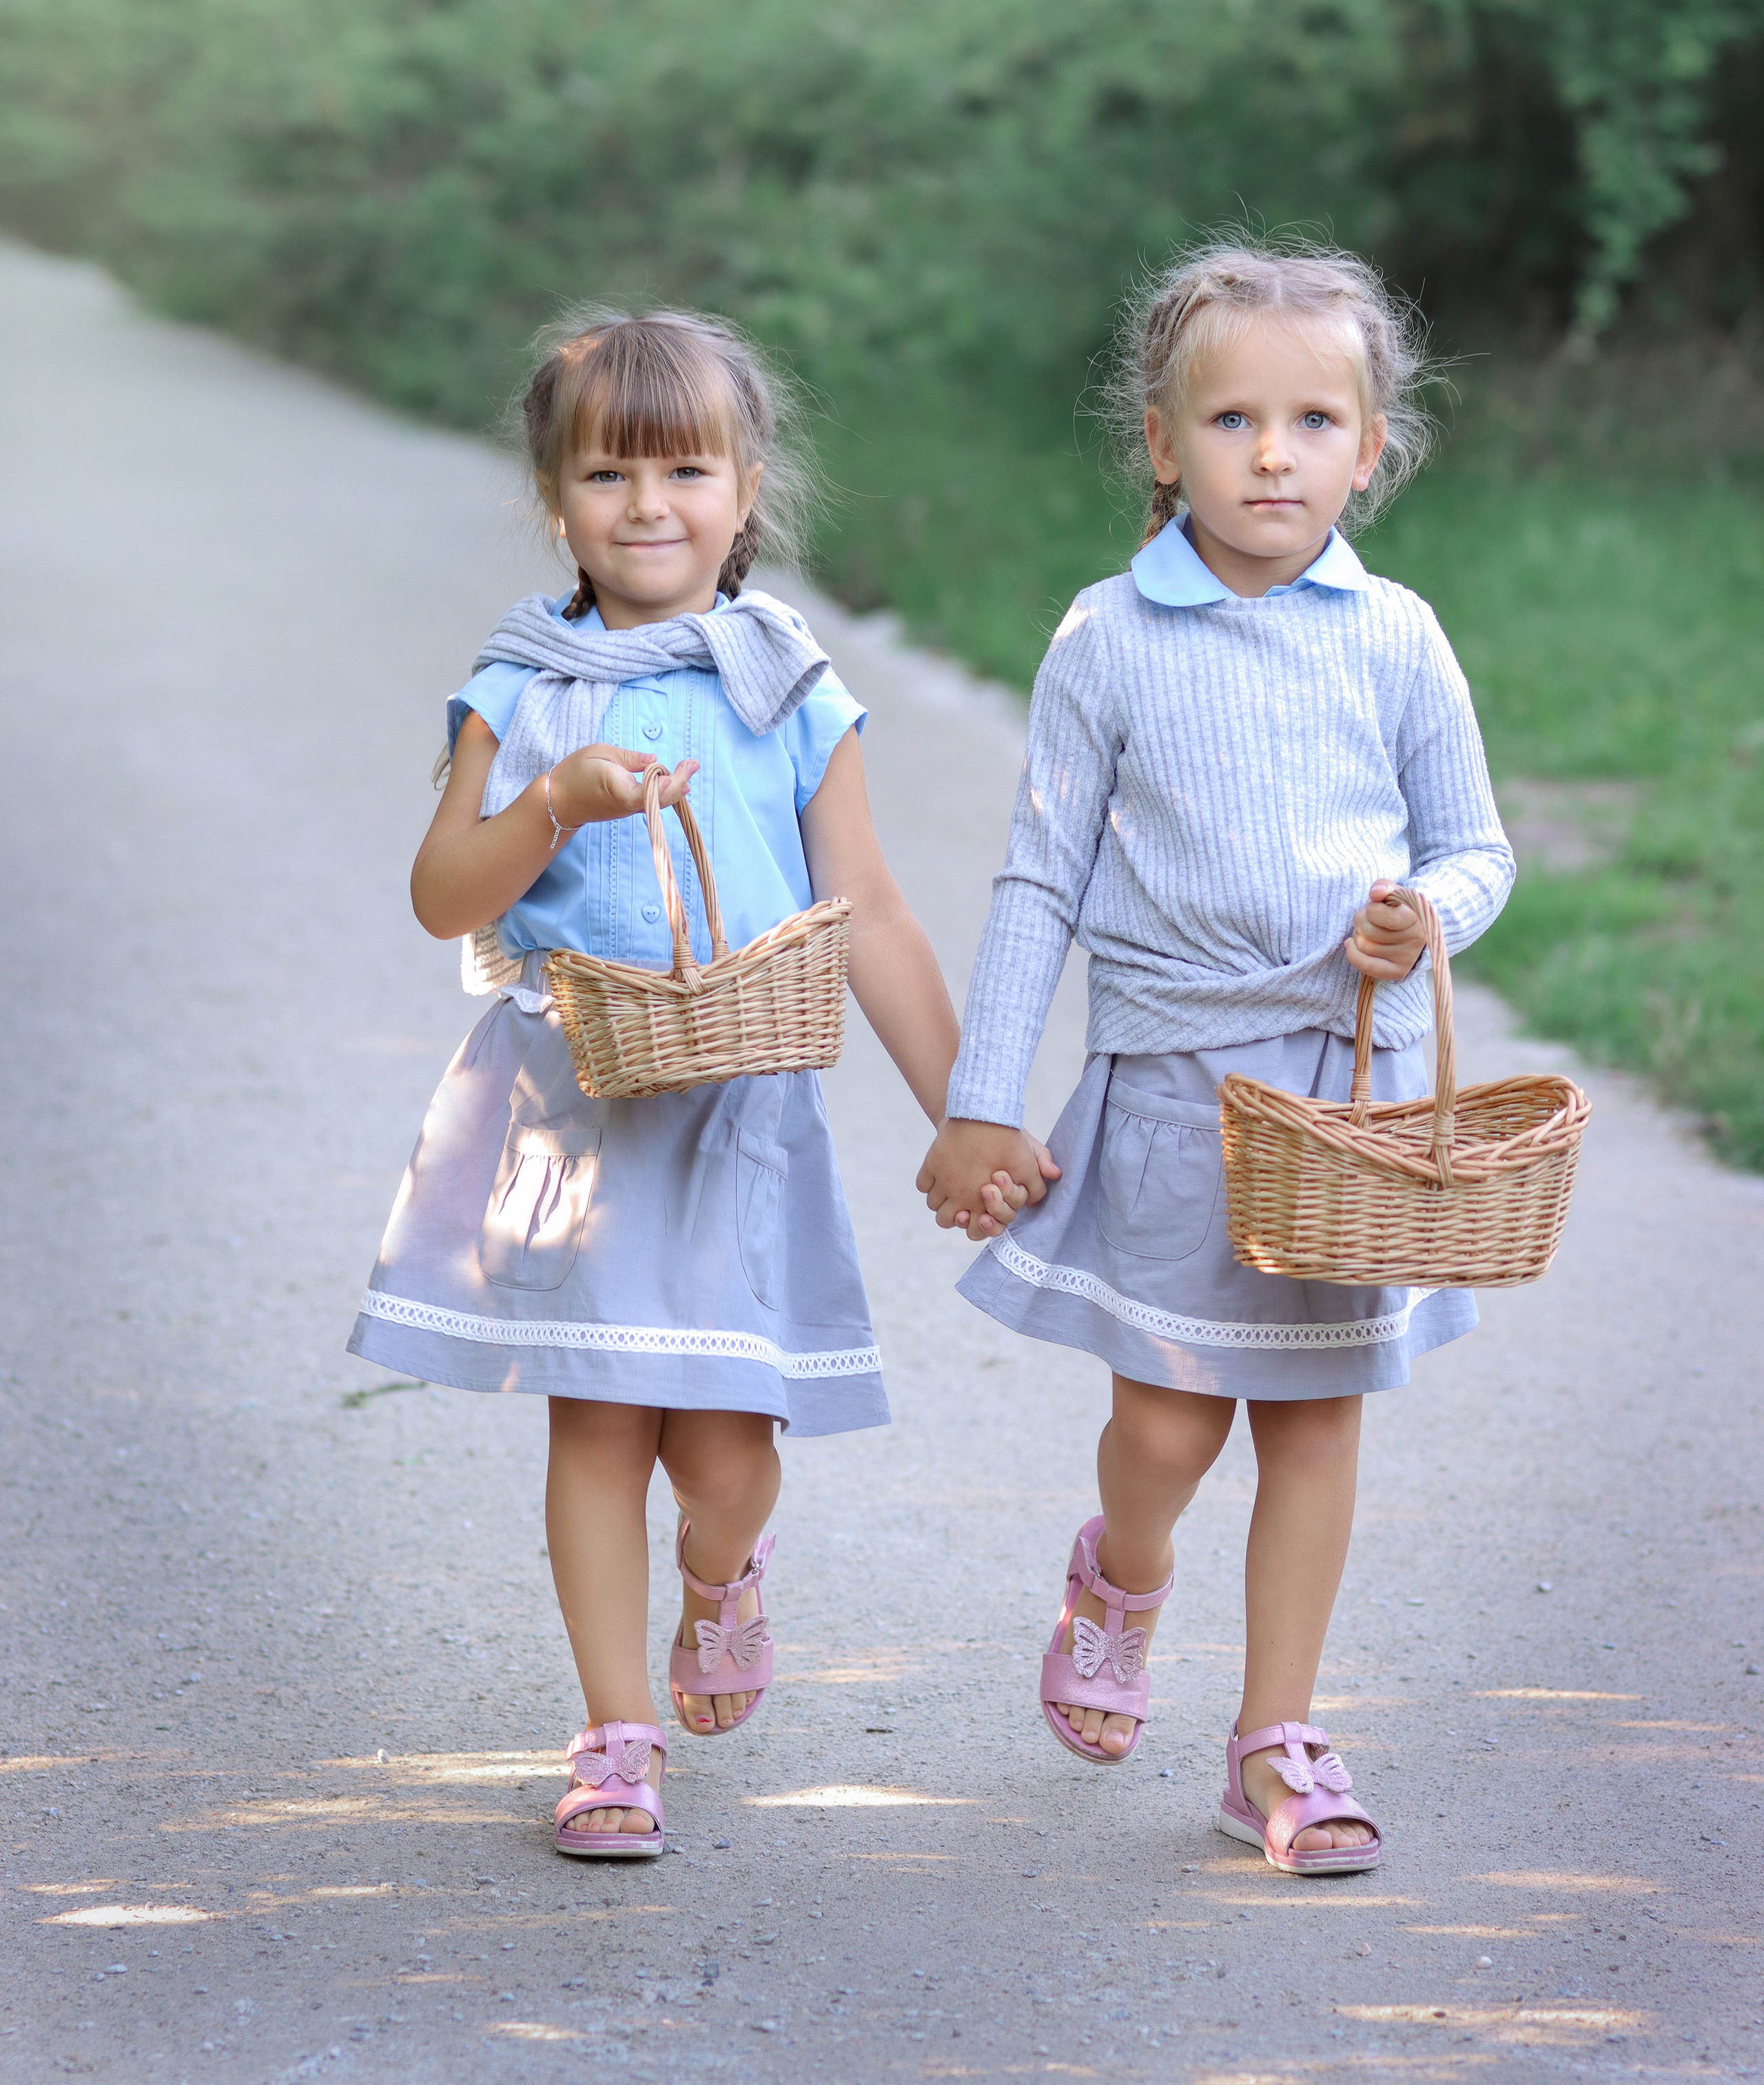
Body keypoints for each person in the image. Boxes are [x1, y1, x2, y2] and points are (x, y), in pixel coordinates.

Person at [349, 307, 989, 1857]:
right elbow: (442, 895)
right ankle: (613, 1734)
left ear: (746, 488)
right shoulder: (521, 686)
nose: (647, 505)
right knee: (594, 1425)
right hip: (576, 1101)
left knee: (720, 1451)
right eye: (608, 474)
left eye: (686, 470)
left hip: (731, 1114)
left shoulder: (787, 684)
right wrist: (553, 807)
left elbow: (869, 909)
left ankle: (722, 1571)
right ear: (554, 498)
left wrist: (966, 1112)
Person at [916, 238, 1515, 1874]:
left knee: (1314, 1422)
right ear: (1162, 443)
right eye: (1232, 418)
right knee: (1172, 1425)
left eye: (1312, 421)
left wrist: (1424, 917)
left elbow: (1474, 848)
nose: (1271, 454)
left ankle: (1275, 1739)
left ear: (1366, 450)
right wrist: (980, 1101)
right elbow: (1038, 877)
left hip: (1348, 1093)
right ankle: (1121, 1570)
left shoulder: (1393, 635)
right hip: (1182, 1087)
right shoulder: (1107, 637)